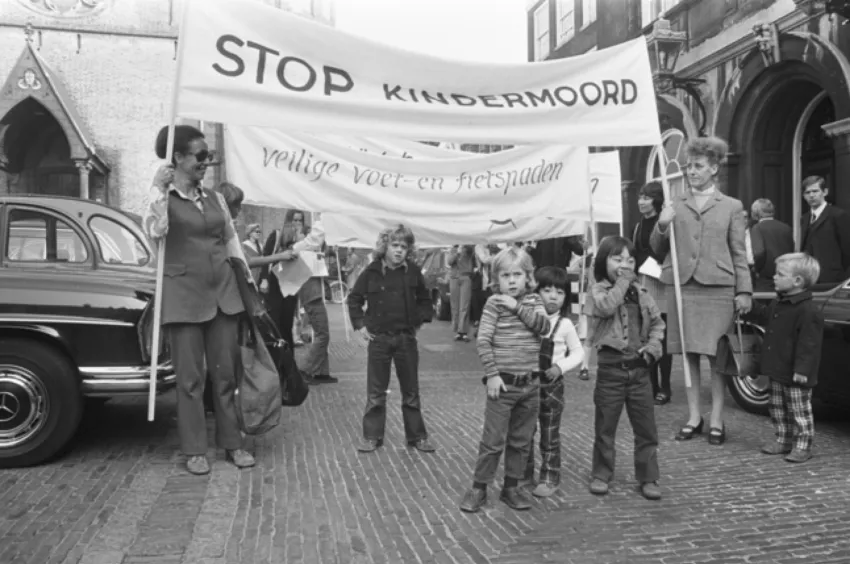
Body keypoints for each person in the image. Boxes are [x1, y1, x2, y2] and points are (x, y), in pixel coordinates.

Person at [144, 124, 254, 475]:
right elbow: (154, 232)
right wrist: (157, 191)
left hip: (223, 295)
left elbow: (231, 241)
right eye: (200, 156)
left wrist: (248, 282)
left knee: (225, 376)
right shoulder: (162, 199)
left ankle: (232, 443)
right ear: (178, 158)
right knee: (190, 381)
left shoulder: (215, 199)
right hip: (184, 298)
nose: (206, 162)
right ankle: (194, 449)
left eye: (209, 156)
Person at [650, 136, 752, 446]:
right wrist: (662, 225)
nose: (691, 171)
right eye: (688, 166)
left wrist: (744, 290)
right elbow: (656, 248)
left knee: (717, 357)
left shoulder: (732, 207)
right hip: (683, 287)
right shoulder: (673, 204)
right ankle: (695, 417)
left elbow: (738, 251)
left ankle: (718, 419)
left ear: (714, 169)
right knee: (688, 355)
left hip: (718, 288)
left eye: (698, 166)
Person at [459, 247, 550, 514]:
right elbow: (484, 341)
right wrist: (493, 375)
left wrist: (518, 307)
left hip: (530, 385)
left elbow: (544, 328)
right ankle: (479, 487)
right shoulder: (493, 304)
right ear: (496, 278)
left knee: (521, 441)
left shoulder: (533, 302)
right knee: (493, 441)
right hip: (502, 385)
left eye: (517, 274)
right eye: (506, 275)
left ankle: (511, 487)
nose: (512, 281)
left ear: (528, 277)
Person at [586, 236, 664, 501]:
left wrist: (653, 348)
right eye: (617, 259)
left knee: (646, 428)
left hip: (640, 370)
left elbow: (657, 324)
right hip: (610, 370)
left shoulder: (642, 292)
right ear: (603, 261)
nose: (625, 264)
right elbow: (606, 307)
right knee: (605, 427)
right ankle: (601, 473)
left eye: (630, 259)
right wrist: (622, 280)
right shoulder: (597, 289)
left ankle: (648, 476)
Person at [347, 224, 435, 454]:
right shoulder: (373, 271)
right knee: (376, 393)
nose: (399, 250)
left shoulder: (413, 272)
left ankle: (416, 437)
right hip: (379, 340)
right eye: (394, 245)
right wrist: (360, 325)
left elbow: (426, 301)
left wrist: (419, 320)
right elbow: (354, 299)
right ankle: (372, 436)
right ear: (385, 246)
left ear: (409, 250)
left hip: (406, 339)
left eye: (403, 247)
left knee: (411, 391)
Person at [747, 253, 823, 463]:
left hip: (795, 373)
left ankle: (803, 445)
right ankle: (783, 439)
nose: (774, 277)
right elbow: (765, 317)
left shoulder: (808, 311)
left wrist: (802, 370)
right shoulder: (780, 303)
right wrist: (749, 308)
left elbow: (809, 345)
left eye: (780, 274)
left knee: (799, 410)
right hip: (778, 368)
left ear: (797, 281)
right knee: (778, 407)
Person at [524, 266, 584, 498]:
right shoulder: (528, 320)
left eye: (559, 292)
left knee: (550, 434)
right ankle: (523, 473)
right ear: (536, 292)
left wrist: (560, 367)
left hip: (552, 388)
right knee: (525, 432)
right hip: (528, 385)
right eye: (547, 290)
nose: (552, 296)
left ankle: (550, 476)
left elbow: (577, 353)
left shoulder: (565, 325)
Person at [633, 182, 673, 405]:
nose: (641, 201)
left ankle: (665, 387)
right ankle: (652, 384)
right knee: (647, 334)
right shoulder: (638, 226)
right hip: (644, 282)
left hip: (662, 283)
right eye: (640, 196)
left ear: (656, 200)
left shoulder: (664, 223)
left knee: (662, 338)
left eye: (647, 197)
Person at [800, 176, 850, 284]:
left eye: (815, 191)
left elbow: (847, 248)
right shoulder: (804, 218)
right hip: (809, 278)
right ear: (804, 196)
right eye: (807, 192)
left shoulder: (838, 215)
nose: (811, 195)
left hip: (832, 278)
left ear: (825, 192)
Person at [749, 198, 794, 292]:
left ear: (756, 212)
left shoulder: (757, 228)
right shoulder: (786, 227)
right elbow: (792, 251)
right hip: (786, 277)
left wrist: (756, 269)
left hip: (766, 279)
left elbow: (759, 253)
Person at [448, 245, 476, 341]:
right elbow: (450, 262)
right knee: (455, 306)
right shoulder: (453, 249)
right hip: (454, 278)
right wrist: (457, 252)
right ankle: (457, 331)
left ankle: (463, 332)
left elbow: (472, 252)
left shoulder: (469, 247)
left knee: (464, 305)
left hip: (465, 277)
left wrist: (465, 247)